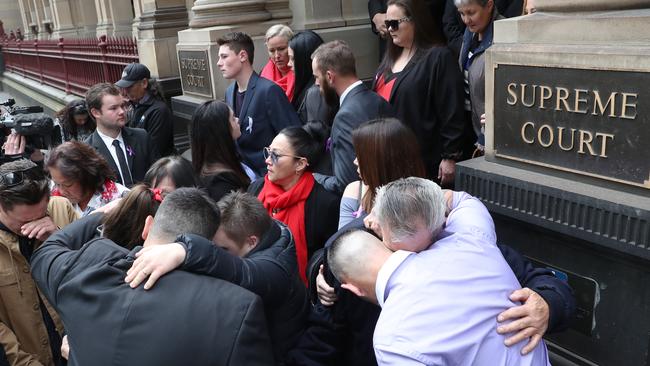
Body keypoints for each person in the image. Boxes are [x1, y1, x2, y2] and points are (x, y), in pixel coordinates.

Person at [288, 191, 575, 366]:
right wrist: (318, 272)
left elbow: (546, 283)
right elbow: (337, 257)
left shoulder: (466, 244)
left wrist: (547, 304)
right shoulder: (359, 255)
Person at [30, 188, 274, 366]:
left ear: (147, 227)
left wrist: (101, 214)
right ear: (207, 243)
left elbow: (45, 254)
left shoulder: (88, 265)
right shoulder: (236, 309)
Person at [126, 191, 309, 364]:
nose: (218, 252)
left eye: (223, 250)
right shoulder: (268, 234)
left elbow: (244, 273)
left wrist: (185, 249)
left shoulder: (275, 270)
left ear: (251, 241)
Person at [328, 229, 549, 364]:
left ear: (353, 289)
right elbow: (465, 202)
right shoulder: (466, 242)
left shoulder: (391, 341)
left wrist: (548, 303)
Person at [374, 0, 466, 187]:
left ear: (414, 20)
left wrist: (451, 156)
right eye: (387, 24)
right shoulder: (390, 57)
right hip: (387, 157)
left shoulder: (438, 57)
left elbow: (452, 109)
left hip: (423, 160)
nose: (390, 29)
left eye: (395, 23)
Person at [0, 159, 78, 366]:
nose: (35, 225)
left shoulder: (62, 208)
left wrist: (58, 237)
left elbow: (92, 273)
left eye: (42, 214)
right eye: (24, 222)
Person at [249, 127, 339, 284]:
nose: (267, 160)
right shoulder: (256, 188)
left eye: (275, 155)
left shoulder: (325, 204)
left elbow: (328, 256)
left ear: (300, 164)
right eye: (268, 152)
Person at [311, 40, 394, 195]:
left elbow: (346, 182)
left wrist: (313, 178)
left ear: (329, 76)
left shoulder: (345, 117)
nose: (316, 83)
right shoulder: (378, 100)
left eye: (317, 77)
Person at [217, 31, 302, 176]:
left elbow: (294, 137)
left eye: (224, 57)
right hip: (241, 177)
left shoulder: (269, 91)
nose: (219, 63)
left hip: (269, 176)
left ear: (243, 56)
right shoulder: (229, 91)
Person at [339, 118, 426, 228]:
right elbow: (341, 242)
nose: (355, 161)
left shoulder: (424, 202)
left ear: (381, 162)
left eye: (361, 156)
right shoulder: (355, 192)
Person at [84, 82, 160, 187]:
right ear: (96, 113)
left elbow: (158, 175)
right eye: (113, 108)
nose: (122, 112)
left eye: (123, 106)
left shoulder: (142, 137)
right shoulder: (86, 152)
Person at [456, 0, 503, 157]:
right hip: (468, 126)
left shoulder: (505, 35)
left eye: (471, 13)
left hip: (489, 136)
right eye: (462, 13)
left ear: (489, 5)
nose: (466, 20)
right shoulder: (470, 32)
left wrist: (484, 136)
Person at [190, 100, 252, 202]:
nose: (237, 120)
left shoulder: (207, 167)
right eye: (233, 118)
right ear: (222, 129)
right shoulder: (221, 184)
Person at [47, 141, 129, 216]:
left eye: (68, 184)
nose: (61, 191)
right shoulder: (53, 203)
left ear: (87, 175)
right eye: (57, 184)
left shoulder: (121, 198)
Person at [115, 63, 175, 157]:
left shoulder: (159, 111)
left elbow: (155, 149)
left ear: (144, 83)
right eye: (124, 88)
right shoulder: (133, 106)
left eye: (129, 87)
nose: (125, 92)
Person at [288, 30, 335, 126]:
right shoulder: (312, 88)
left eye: (293, 59)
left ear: (303, 60)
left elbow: (316, 133)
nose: (289, 64)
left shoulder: (316, 92)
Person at [261, 24, 295, 101]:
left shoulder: (301, 76)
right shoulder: (263, 76)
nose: (276, 55)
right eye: (272, 51)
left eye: (281, 49)